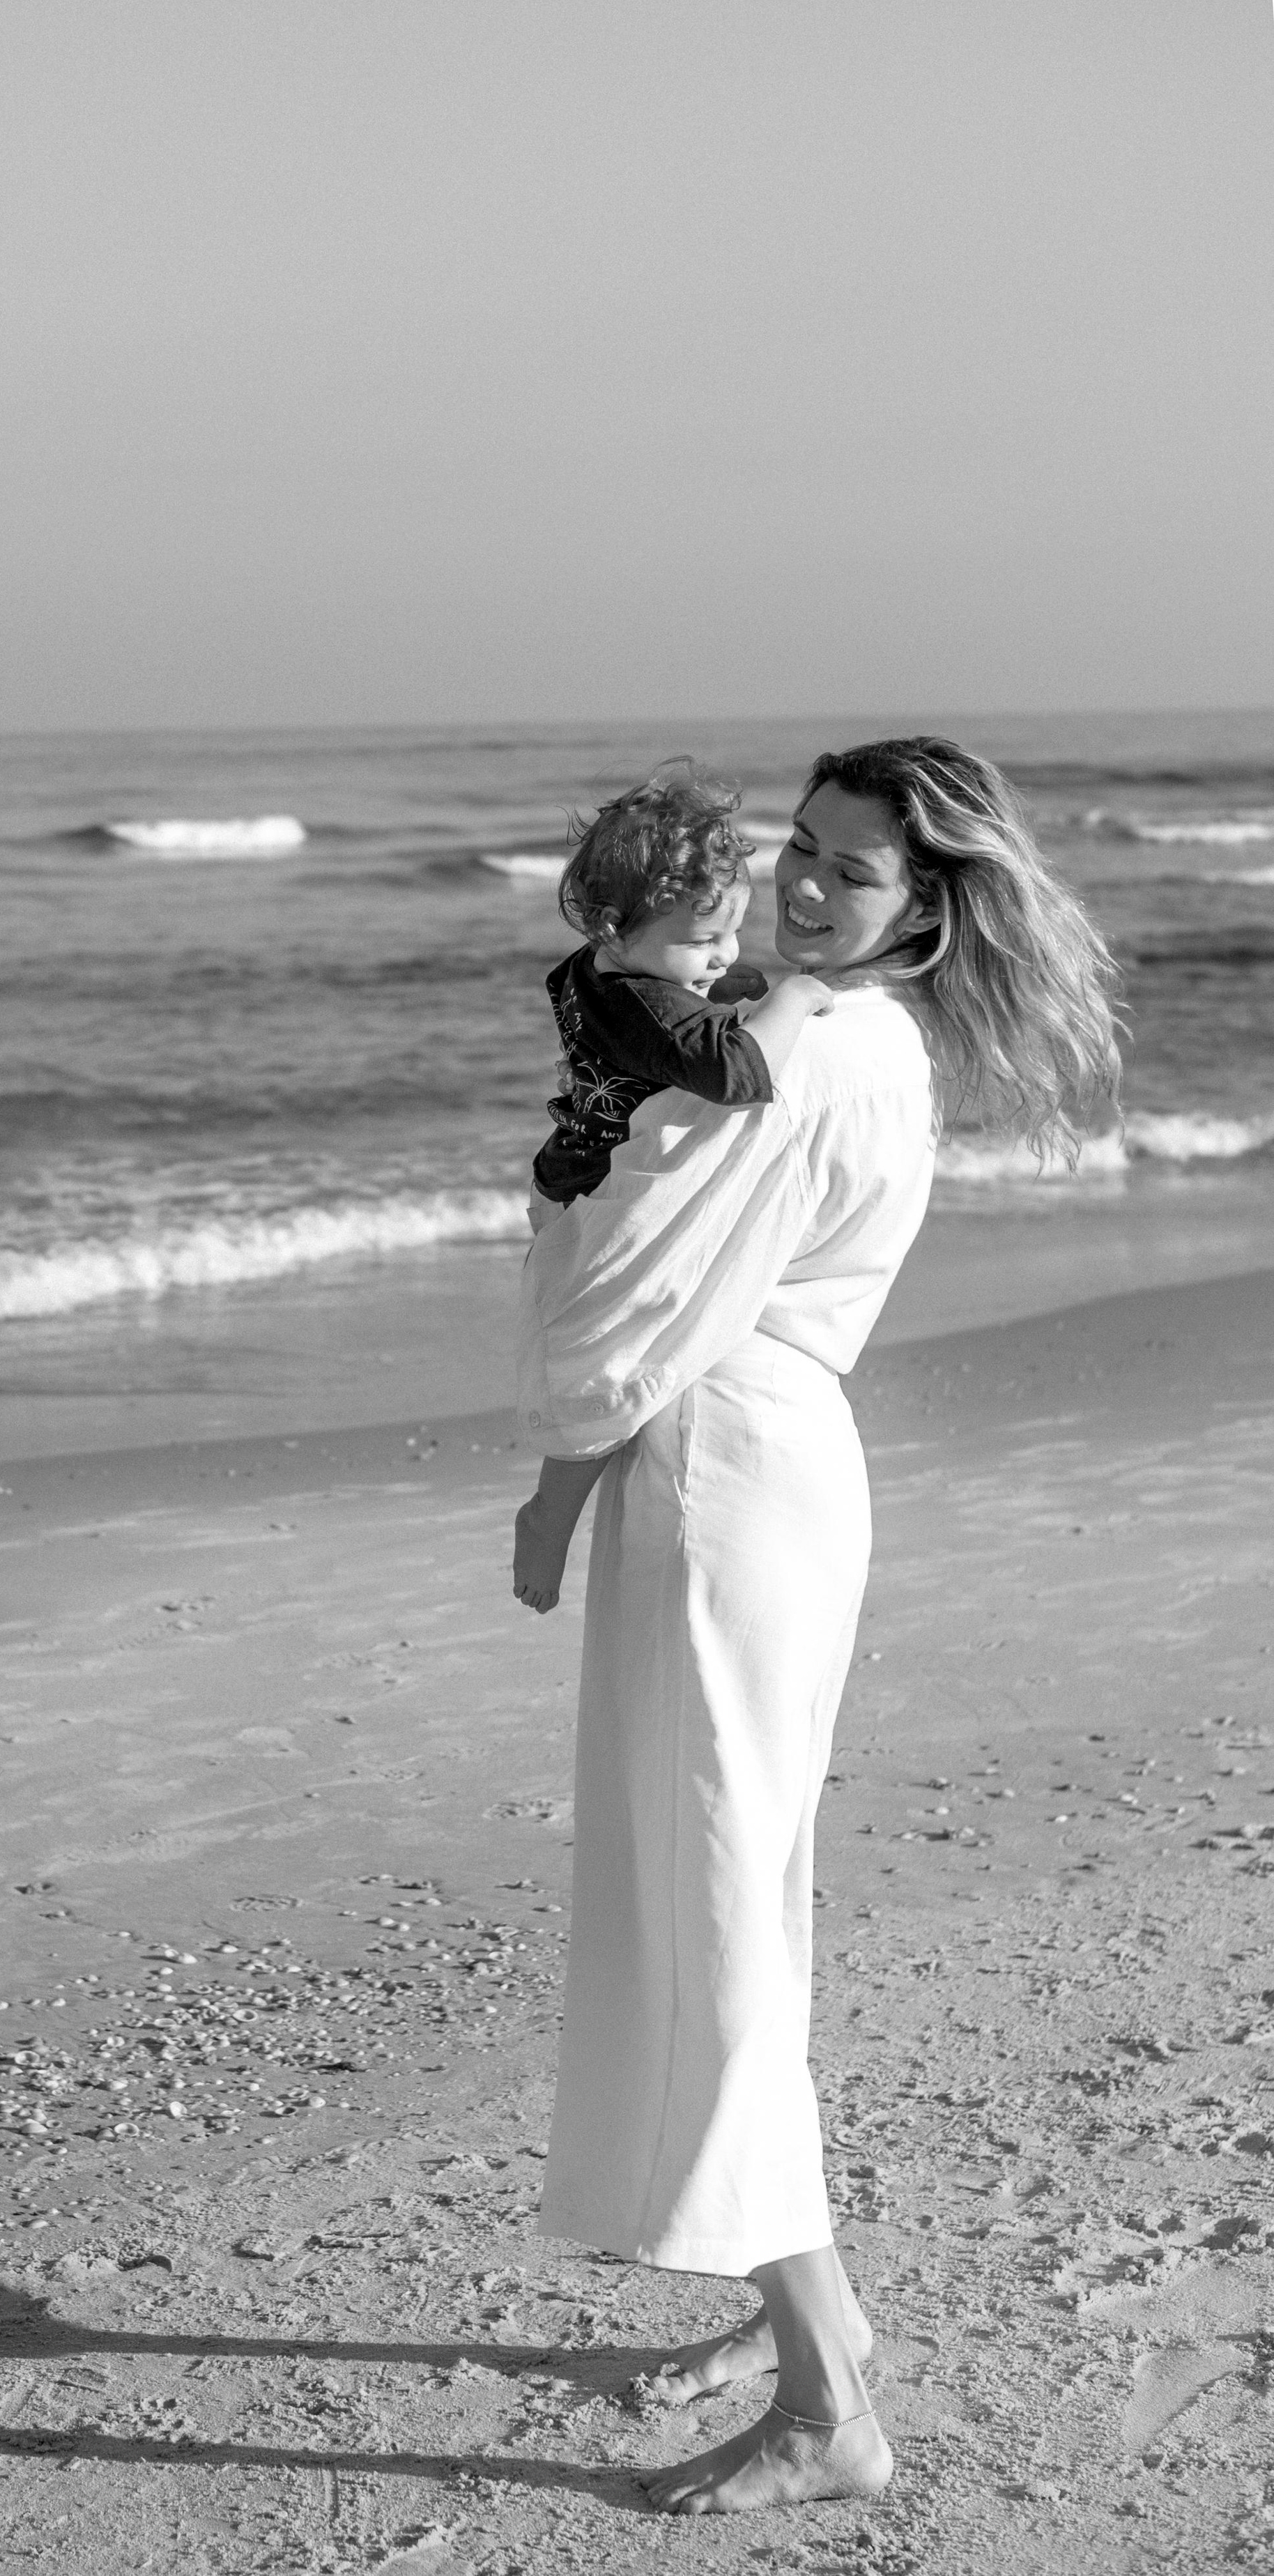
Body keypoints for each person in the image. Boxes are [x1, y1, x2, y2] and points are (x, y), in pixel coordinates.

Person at [512, 736, 1120, 2514]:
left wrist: (555, 1469)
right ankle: (798, 2302)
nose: (796, 883)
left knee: (714, 1911)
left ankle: (824, 2400)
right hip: (770, 1462)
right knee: (738, 1892)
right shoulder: (853, 1031)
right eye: (797, 846)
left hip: (717, 1468)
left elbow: (642, 1288)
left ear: (921, 906)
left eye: (847, 872)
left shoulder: (797, 1041)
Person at [531, 760, 835, 1215]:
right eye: (702, 941)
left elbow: (641, 1039)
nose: (727, 954)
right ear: (612, 930)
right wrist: (792, 998)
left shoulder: (585, 968)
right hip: (603, 1199)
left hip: (564, 1175)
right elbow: (739, 1073)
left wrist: (702, 992)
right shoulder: (652, 1005)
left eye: (731, 932)